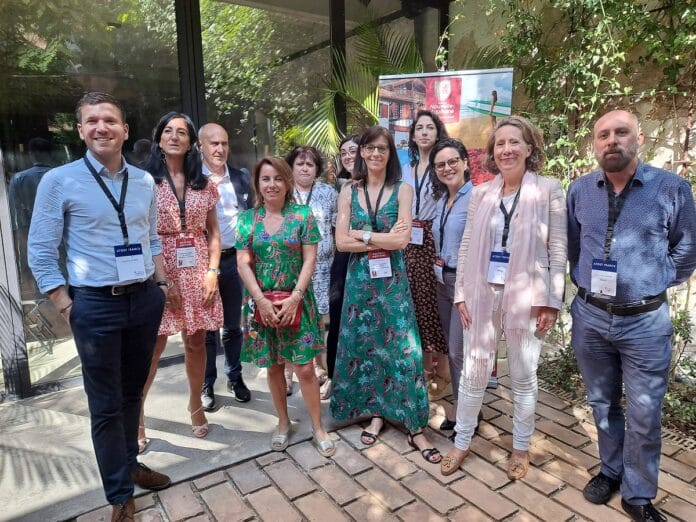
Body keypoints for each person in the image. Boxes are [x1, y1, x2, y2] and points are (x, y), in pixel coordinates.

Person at [28, 92, 171, 520]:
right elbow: (41, 250)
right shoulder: (59, 181)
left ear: (125, 130)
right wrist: (65, 304)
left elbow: (151, 237)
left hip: (143, 300)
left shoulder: (144, 182)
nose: (101, 127)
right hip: (94, 305)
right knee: (105, 405)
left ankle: (129, 463)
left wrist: (161, 284)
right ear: (80, 130)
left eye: (109, 120)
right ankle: (119, 495)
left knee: (132, 392)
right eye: (92, 121)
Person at [567, 109, 696, 522]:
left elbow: (686, 249)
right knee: (602, 402)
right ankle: (611, 469)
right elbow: (574, 246)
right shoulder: (580, 189)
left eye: (621, 132)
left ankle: (638, 494)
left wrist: (651, 282)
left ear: (638, 138)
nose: (612, 141)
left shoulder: (672, 188)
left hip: (644, 322)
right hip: (590, 316)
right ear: (594, 144)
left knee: (644, 412)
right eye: (603, 134)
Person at [443, 116, 567, 478]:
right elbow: (467, 244)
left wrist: (552, 301)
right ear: (492, 152)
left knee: (523, 375)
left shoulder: (549, 189)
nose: (507, 149)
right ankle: (461, 441)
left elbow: (558, 249)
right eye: (500, 144)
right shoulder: (481, 193)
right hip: (481, 292)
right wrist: (461, 293)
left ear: (529, 148)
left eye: (515, 142)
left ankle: (520, 447)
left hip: (528, 295)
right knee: (473, 372)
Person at [331, 126, 441, 464]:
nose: (375, 154)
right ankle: (377, 413)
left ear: (390, 153)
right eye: (370, 148)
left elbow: (401, 241)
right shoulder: (349, 190)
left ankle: (415, 425)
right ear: (361, 153)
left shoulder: (402, 190)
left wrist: (362, 235)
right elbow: (340, 242)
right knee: (368, 347)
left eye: (382, 148)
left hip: (392, 283)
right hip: (360, 282)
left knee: (403, 350)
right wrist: (382, 238)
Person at [236, 156, 336, 457]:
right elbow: (243, 263)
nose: (272, 184)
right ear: (257, 184)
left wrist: (295, 298)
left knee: (305, 368)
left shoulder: (302, 216)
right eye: (265, 179)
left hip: (298, 303)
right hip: (262, 305)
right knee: (274, 365)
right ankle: (283, 423)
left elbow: (310, 259)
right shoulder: (247, 219)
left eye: (278, 178)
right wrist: (261, 300)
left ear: (287, 182)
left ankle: (318, 427)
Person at [138, 112, 223, 449]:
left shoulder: (205, 184)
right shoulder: (144, 182)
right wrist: (162, 280)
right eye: (168, 131)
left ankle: (195, 404)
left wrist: (213, 271)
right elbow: (141, 233)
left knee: (196, 342)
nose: (174, 137)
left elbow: (214, 233)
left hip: (198, 268)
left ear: (191, 143)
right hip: (159, 269)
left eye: (182, 132)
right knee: (153, 347)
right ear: (159, 138)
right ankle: (137, 414)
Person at [198, 123, 253, 410]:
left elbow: (251, 218)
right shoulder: (193, 180)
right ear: (201, 147)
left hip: (234, 260)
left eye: (224, 143)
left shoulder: (241, 178)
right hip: (203, 264)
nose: (220, 149)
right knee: (207, 329)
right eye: (213, 143)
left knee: (233, 326)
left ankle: (235, 376)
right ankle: (206, 382)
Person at [402, 110, 450, 400]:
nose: (424, 132)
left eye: (429, 127)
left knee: (437, 303)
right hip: (409, 241)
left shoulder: (444, 164)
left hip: (435, 239)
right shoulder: (406, 168)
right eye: (419, 128)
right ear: (412, 135)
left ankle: (442, 370)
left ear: (437, 132)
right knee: (416, 304)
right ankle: (421, 367)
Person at [283, 146, 337, 396]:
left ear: (317, 169)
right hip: (292, 269)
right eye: (300, 164)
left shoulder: (328, 193)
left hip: (323, 268)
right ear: (291, 167)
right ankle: (288, 371)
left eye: (310, 164)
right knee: (290, 320)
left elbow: (336, 229)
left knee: (318, 320)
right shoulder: (283, 191)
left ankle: (317, 365)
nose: (305, 168)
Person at [429, 138, 473, 434]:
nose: (447, 168)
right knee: (453, 349)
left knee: (459, 352)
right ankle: (463, 409)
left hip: (463, 283)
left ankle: (468, 415)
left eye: (452, 161)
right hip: (441, 280)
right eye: (440, 164)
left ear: (465, 162)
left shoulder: (477, 198)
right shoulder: (442, 199)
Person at [325, 135, 359, 399]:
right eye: (344, 152)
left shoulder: (379, 185)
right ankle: (334, 376)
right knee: (337, 313)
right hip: (343, 256)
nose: (348, 156)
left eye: (353, 150)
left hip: (370, 257)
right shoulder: (340, 187)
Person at [9, 137, 53, 299]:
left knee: (35, 262)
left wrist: (19, 233)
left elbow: (13, 209)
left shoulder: (19, 178)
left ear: (30, 154)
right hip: (59, 230)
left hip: (29, 229)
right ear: (50, 154)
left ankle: (40, 296)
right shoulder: (60, 176)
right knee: (59, 261)